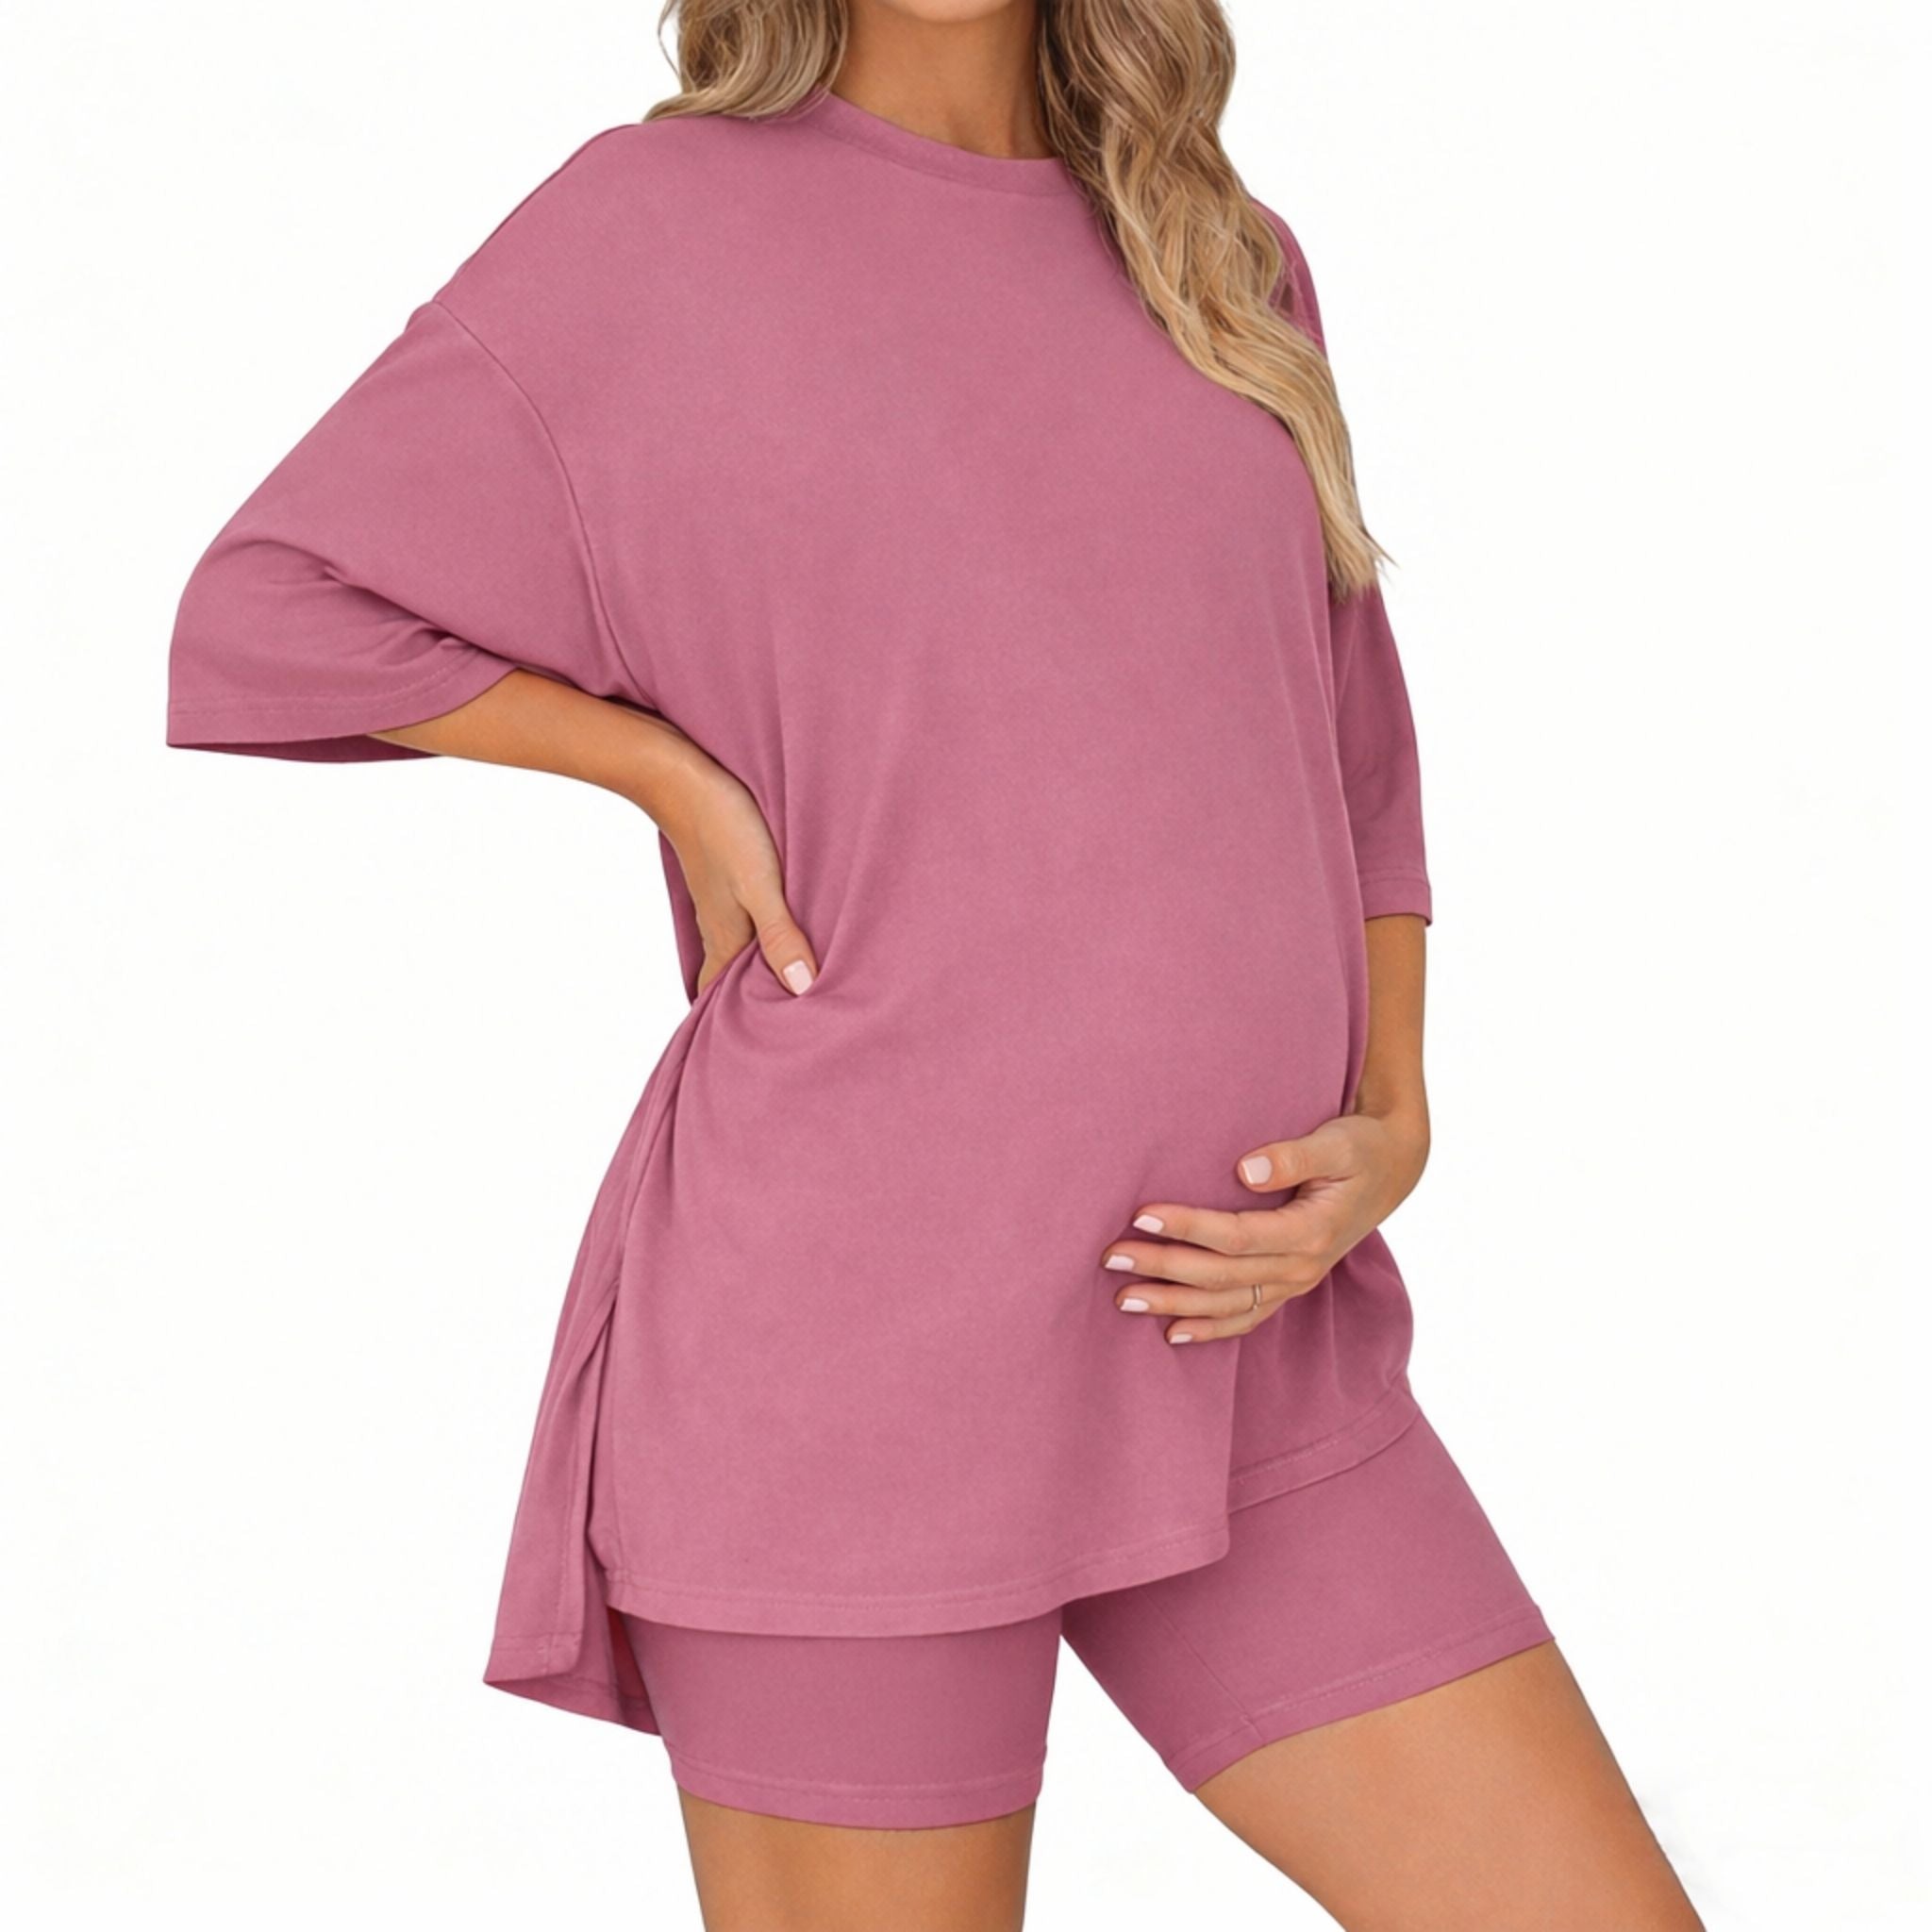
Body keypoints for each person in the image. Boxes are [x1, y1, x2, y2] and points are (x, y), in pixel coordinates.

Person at [164, 2, 1705, 1925]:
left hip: (1238, 1330)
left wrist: (1392, 1117)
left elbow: (1348, 741)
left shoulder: (1215, 251)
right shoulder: (648, 226)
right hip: (859, 1354)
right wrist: (660, 767)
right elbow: (270, 608)